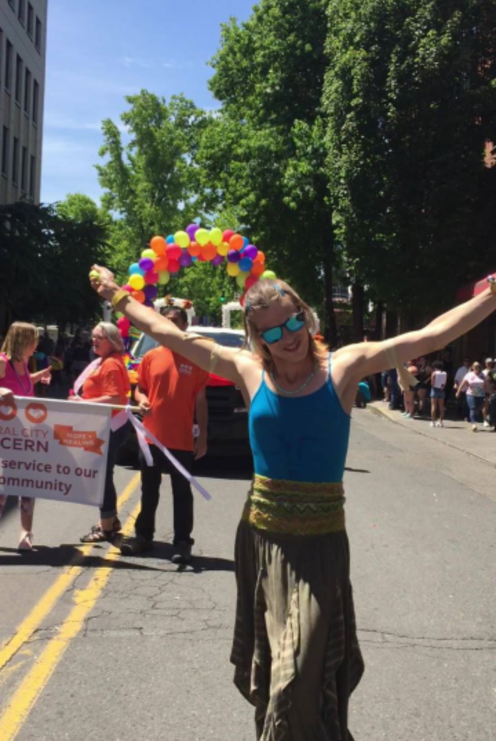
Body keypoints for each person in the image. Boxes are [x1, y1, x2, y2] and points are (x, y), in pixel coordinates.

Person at [90, 264, 496, 741]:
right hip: (262, 542)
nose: (289, 337)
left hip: (321, 545)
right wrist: (118, 297)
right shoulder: (245, 369)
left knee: (301, 669)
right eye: (274, 330)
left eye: (295, 321)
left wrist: (489, 299)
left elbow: (428, 337)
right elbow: (164, 331)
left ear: (307, 315)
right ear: (258, 337)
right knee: (274, 666)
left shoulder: (342, 369)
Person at [120, 307, 209, 564]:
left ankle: (182, 542)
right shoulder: (150, 356)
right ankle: (143, 537)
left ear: (184, 325)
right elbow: (140, 390)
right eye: (166, 320)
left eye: (175, 321)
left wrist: (202, 436)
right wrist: (142, 399)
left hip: (181, 439)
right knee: (149, 490)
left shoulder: (196, 357)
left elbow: (201, 401)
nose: (169, 324)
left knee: (182, 492)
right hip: (150, 439)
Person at [76, 322, 131, 543]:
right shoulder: (104, 362)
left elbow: (115, 399)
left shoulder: (111, 365)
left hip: (111, 426)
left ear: (113, 340)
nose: (94, 340)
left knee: (101, 477)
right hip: (103, 425)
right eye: (93, 337)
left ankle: (106, 527)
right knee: (103, 475)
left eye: (100, 337)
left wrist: (81, 403)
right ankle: (111, 520)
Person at [0, 322, 51, 550]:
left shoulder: (23, 363)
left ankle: (25, 533)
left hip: (25, 434)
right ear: (23, 340)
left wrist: (39, 376)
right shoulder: (2, 362)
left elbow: (20, 386)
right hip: (5, 435)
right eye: (35, 339)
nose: (37, 344)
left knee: (27, 486)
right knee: (2, 486)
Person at [456, 361, 489, 432]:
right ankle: (473, 423)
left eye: (478, 366)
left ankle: (473, 419)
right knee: (473, 408)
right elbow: (462, 384)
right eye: (475, 366)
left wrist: (486, 394)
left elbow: (485, 385)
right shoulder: (469, 375)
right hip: (471, 394)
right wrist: (458, 392)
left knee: (478, 408)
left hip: (480, 394)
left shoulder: (483, 375)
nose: (477, 368)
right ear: (472, 367)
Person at [429, 360, 447, 427]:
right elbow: (444, 382)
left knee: (433, 406)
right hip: (441, 389)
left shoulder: (434, 373)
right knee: (441, 406)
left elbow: (432, 383)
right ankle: (440, 421)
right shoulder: (445, 373)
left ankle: (433, 422)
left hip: (435, 389)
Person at [482, 357, 494, 428]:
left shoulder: (493, 371)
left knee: (492, 407)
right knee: (485, 406)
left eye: (491, 363)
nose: (489, 364)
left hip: (493, 391)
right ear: (485, 364)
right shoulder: (483, 372)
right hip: (486, 391)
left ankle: (491, 420)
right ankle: (484, 420)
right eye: (488, 363)